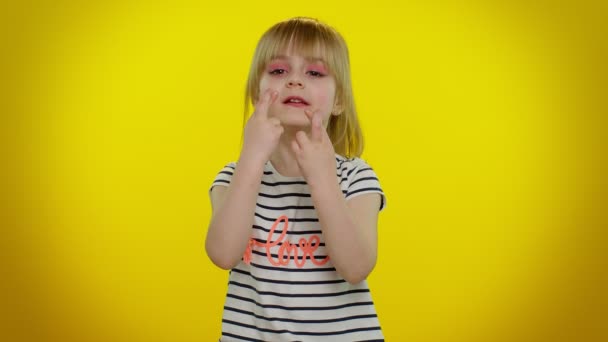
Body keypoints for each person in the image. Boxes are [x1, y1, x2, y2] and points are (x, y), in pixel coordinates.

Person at [206, 16, 387, 341]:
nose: (294, 81)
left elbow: (356, 267)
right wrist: (251, 158)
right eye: (278, 71)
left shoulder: (356, 177)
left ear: (340, 101)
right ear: (255, 93)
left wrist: (322, 179)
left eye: (314, 73)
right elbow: (222, 254)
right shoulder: (234, 177)